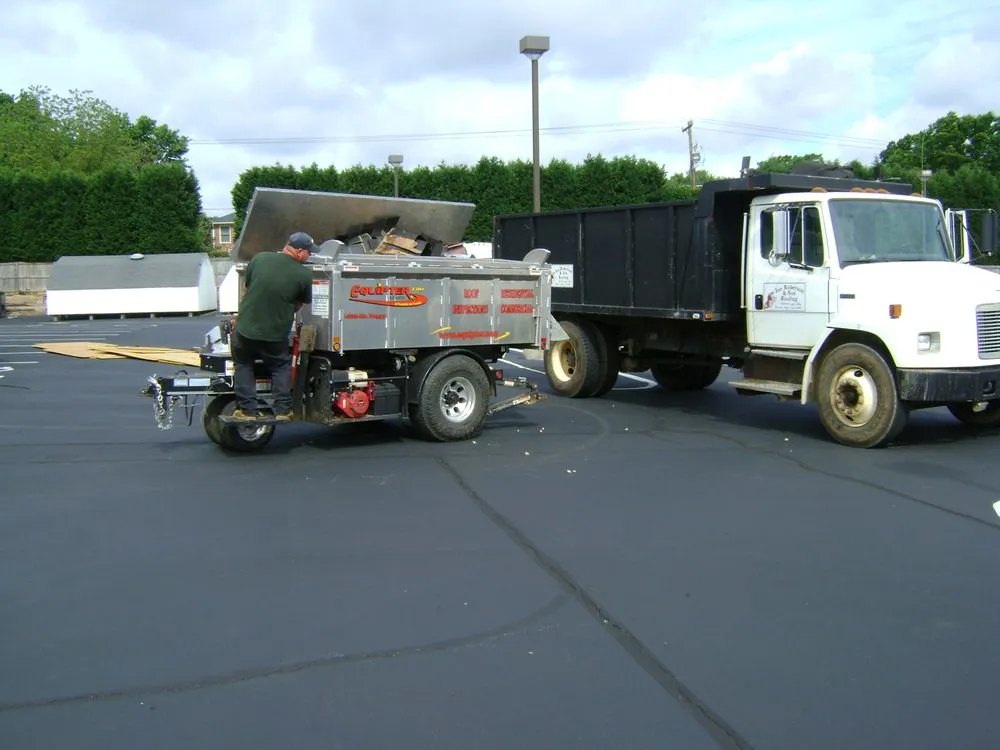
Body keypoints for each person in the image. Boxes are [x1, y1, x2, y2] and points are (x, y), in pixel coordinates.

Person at [230, 231, 319, 421]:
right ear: (300, 251)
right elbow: (299, 304)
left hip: (244, 328)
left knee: (243, 365)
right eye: (309, 253)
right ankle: (282, 410)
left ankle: (247, 412)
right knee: (280, 367)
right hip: (274, 334)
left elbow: (247, 288)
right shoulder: (304, 274)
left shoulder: (260, 258)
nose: (310, 256)